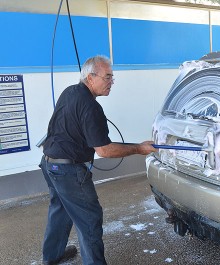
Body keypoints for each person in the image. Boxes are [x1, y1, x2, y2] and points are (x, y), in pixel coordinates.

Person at [39, 55, 156, 265]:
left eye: (112, 77)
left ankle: (53, 256)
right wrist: (139, 148)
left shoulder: (70, 92)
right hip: (68, 171)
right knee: (89, 220)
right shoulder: (91, 107)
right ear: (91, 77)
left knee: (60, 210)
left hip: (49, 164)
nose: (112, 82)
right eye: (108, 77)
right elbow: (104, 150)